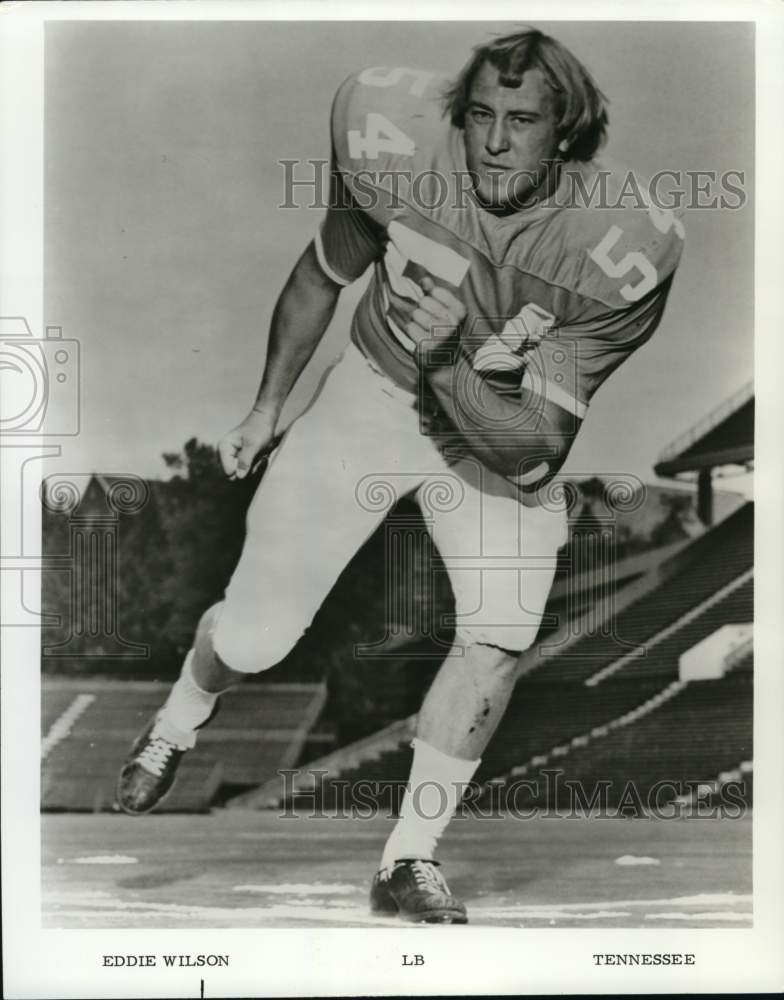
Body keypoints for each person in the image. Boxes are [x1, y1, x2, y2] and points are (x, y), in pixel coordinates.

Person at [117, 28, 683, 924]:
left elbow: (534, 447)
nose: (495, 141)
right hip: (376, 394)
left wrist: (456, 357)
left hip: (496, 425)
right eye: (481, 117)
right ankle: (182, 714)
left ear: (566, 134)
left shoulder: (621, 246)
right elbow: (322, 273)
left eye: (523, 121)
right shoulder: (389, 139)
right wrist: (268, 407)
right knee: (259, 639)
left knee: (499, 634)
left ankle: (407, 859)